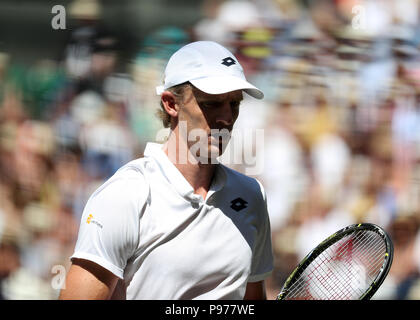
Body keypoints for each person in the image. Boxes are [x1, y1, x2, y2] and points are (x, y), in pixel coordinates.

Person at [59, 41, 273, 300]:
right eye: (211, 104)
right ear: (171, 104)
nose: (226, 118)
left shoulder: (251, 196)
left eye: (234, 104)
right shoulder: (126, 195)